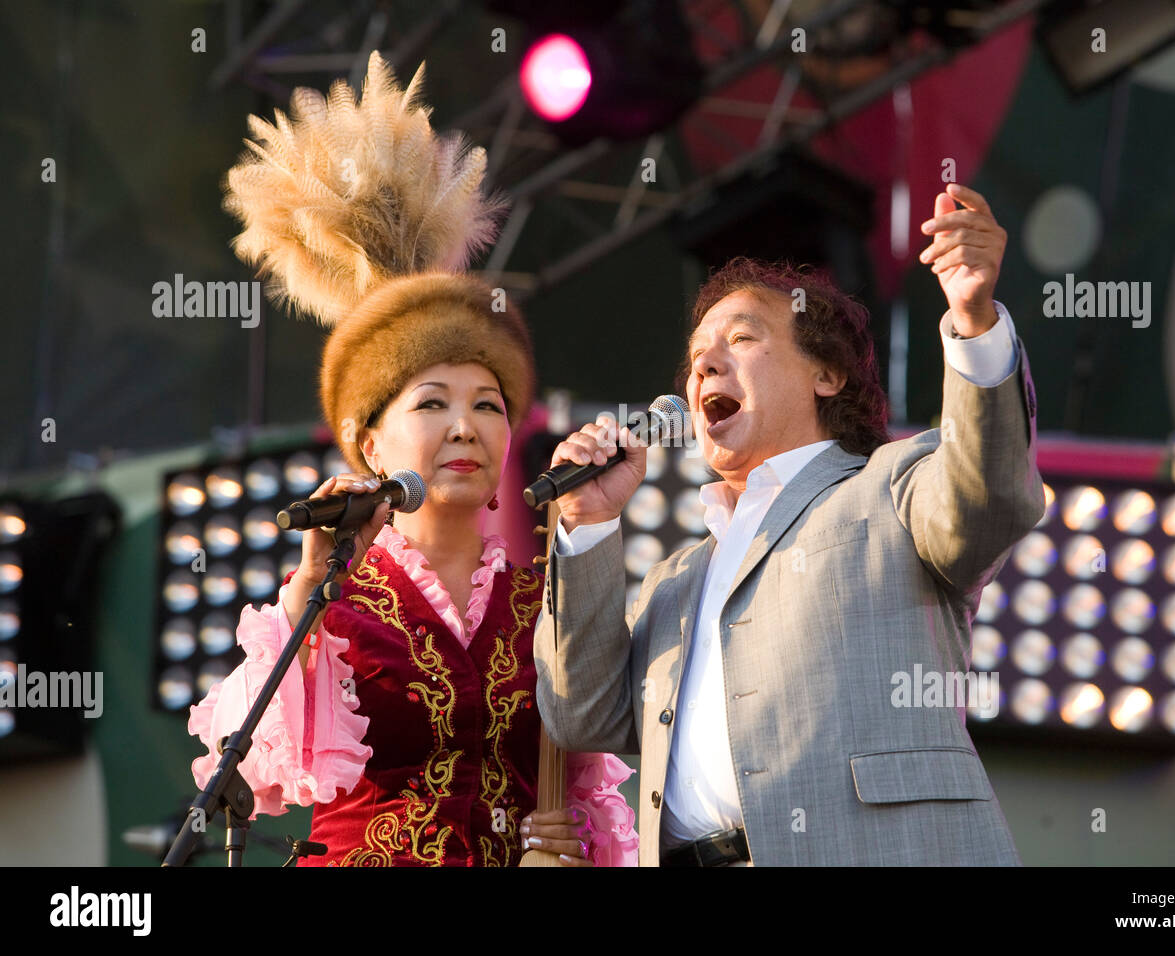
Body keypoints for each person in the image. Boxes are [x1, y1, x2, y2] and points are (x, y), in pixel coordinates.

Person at [188, 52, 636, 867]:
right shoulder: (329, 603)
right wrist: (306, 594)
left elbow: (592, 789)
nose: (465, 427)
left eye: (487, 404)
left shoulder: (552, 602)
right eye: (431, 403)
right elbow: (252, 770)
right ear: (368, 442)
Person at [535, 183, 1045, 865]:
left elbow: (992, 501)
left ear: (827, 374)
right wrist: (589, 522)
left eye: (742, 337)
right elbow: (582, 716)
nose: (705, 365)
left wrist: (975, 322)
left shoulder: (889, 484)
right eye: (695, 360)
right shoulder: (677, 578)